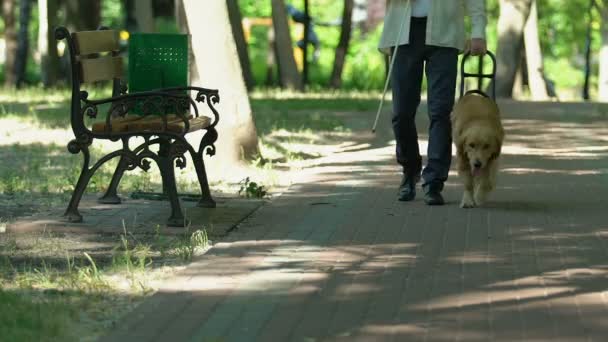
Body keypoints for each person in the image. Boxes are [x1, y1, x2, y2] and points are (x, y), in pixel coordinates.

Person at [378, 0, 487, 205]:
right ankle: (410, 171)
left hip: (445, 32)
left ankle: (434, 181)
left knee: (441, 111)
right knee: (401, 113)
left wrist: (478, 31)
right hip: (404, 32)